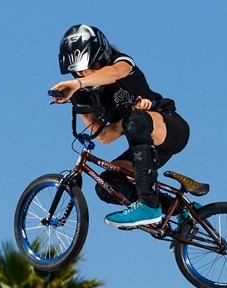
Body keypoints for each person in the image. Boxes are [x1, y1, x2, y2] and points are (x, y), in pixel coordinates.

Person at [50, 24, 190, 228]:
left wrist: (79, 85)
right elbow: (104, 136)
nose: (84, 75)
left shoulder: (121, 62)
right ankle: (183, 211)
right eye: (78, 73)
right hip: (144, 146)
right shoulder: (81, 91)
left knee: (136, 120)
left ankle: (148, 206)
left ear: (102, 56)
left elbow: (115, 73)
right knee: (107, 185)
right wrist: (77, 99)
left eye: (89, 67)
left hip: (169, 128)